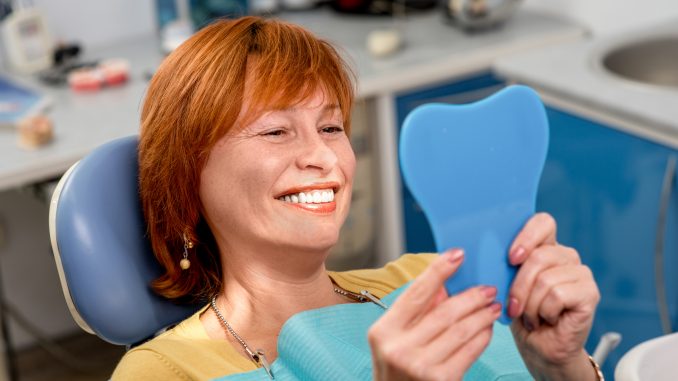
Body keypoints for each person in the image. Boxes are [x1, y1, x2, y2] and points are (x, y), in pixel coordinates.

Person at [112, 16, 601, 381]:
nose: (323, 155)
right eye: (277, 131)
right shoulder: (161, 372)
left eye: (331, 127)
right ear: (187, 176)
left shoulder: (429, 281)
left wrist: (562, 367)